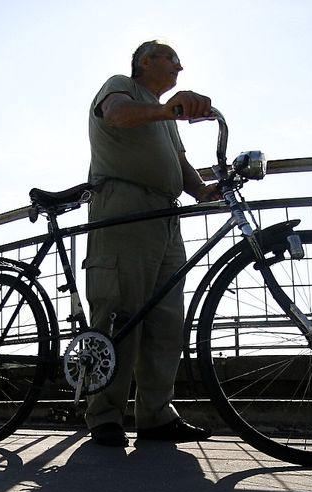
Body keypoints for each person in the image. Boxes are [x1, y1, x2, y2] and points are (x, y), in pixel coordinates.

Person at [82, 40, 222, 448]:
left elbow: (179, 163)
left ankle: (156, 415)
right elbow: (116, 115)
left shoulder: (166, 117)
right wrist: (167, 108)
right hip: (125, 205)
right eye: (172, 58)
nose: (181, 66)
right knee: (121, 311)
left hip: (165, 213)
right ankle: (104, 415)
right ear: (147, 61)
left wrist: (202, 192)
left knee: (165, 320)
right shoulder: (121, 85)